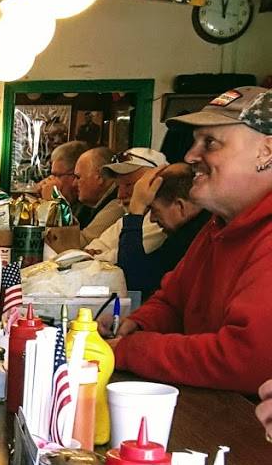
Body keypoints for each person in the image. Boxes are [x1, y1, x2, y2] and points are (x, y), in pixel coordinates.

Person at [110, 87, 272, 392]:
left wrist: (130, 350)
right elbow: (173, 302)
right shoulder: (218, 225)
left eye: (209, 143)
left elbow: (246, 357)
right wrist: (137, 323)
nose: (190, 156)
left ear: (266, 151)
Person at [112, 164, 208, 298]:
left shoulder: (193, 239)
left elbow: (135, 281)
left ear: (180, 206)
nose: (152, 219)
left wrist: (135, 212)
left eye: (154, 210)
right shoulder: (189, 231)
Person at [84, 146, 167, 259]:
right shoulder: (127, 218)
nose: (120, 195)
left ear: (156, 181)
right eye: (118, 186)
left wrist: (97, 257)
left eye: (129, 185)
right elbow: (95, 246)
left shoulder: (163, 220)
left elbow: (125, 257)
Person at [72, 146, 121, 241]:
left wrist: (53, 205)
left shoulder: (117, 203)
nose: (74, 184)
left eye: (78, 177)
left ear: (99, 177)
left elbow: (83, 242)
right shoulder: (91, 203)